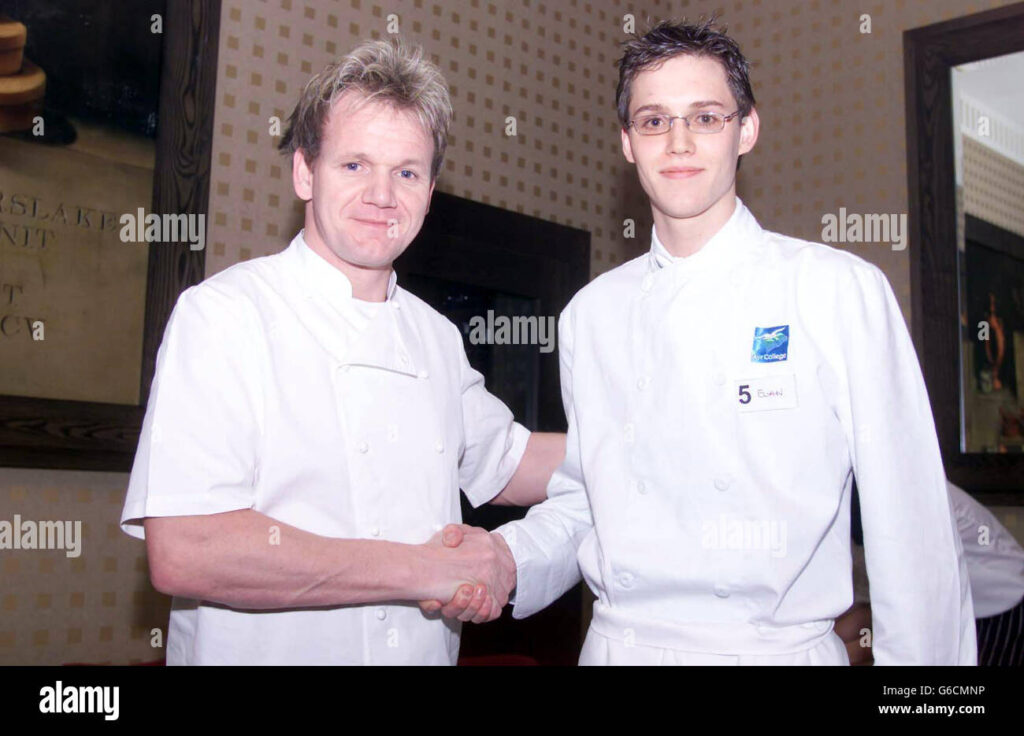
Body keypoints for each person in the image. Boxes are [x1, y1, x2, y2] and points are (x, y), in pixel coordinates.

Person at [433, 18, 976, 665]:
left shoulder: (836, 291)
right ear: (628, 142)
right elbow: (593, 499)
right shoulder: (590, 316)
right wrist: (506, 556)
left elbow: (911, 527)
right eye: (654, 121)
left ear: (747, 129)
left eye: (706, 117)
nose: (679, 142)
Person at [120, 39, 562, 665]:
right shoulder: (225, 315)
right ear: (304, 171)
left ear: (430, 190)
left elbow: (512, 462)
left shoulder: (436, 337)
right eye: (355, 165)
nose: (382, 195)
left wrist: (645, 442)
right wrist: (424, 569)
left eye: (407, 172)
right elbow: (188, 548)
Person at [840, 481, 1024, 666]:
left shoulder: (905, 502)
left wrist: (838, 654)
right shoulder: (862, 499)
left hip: (1000, 607)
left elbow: (906, 624)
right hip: (955, 610)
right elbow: (872, 610)